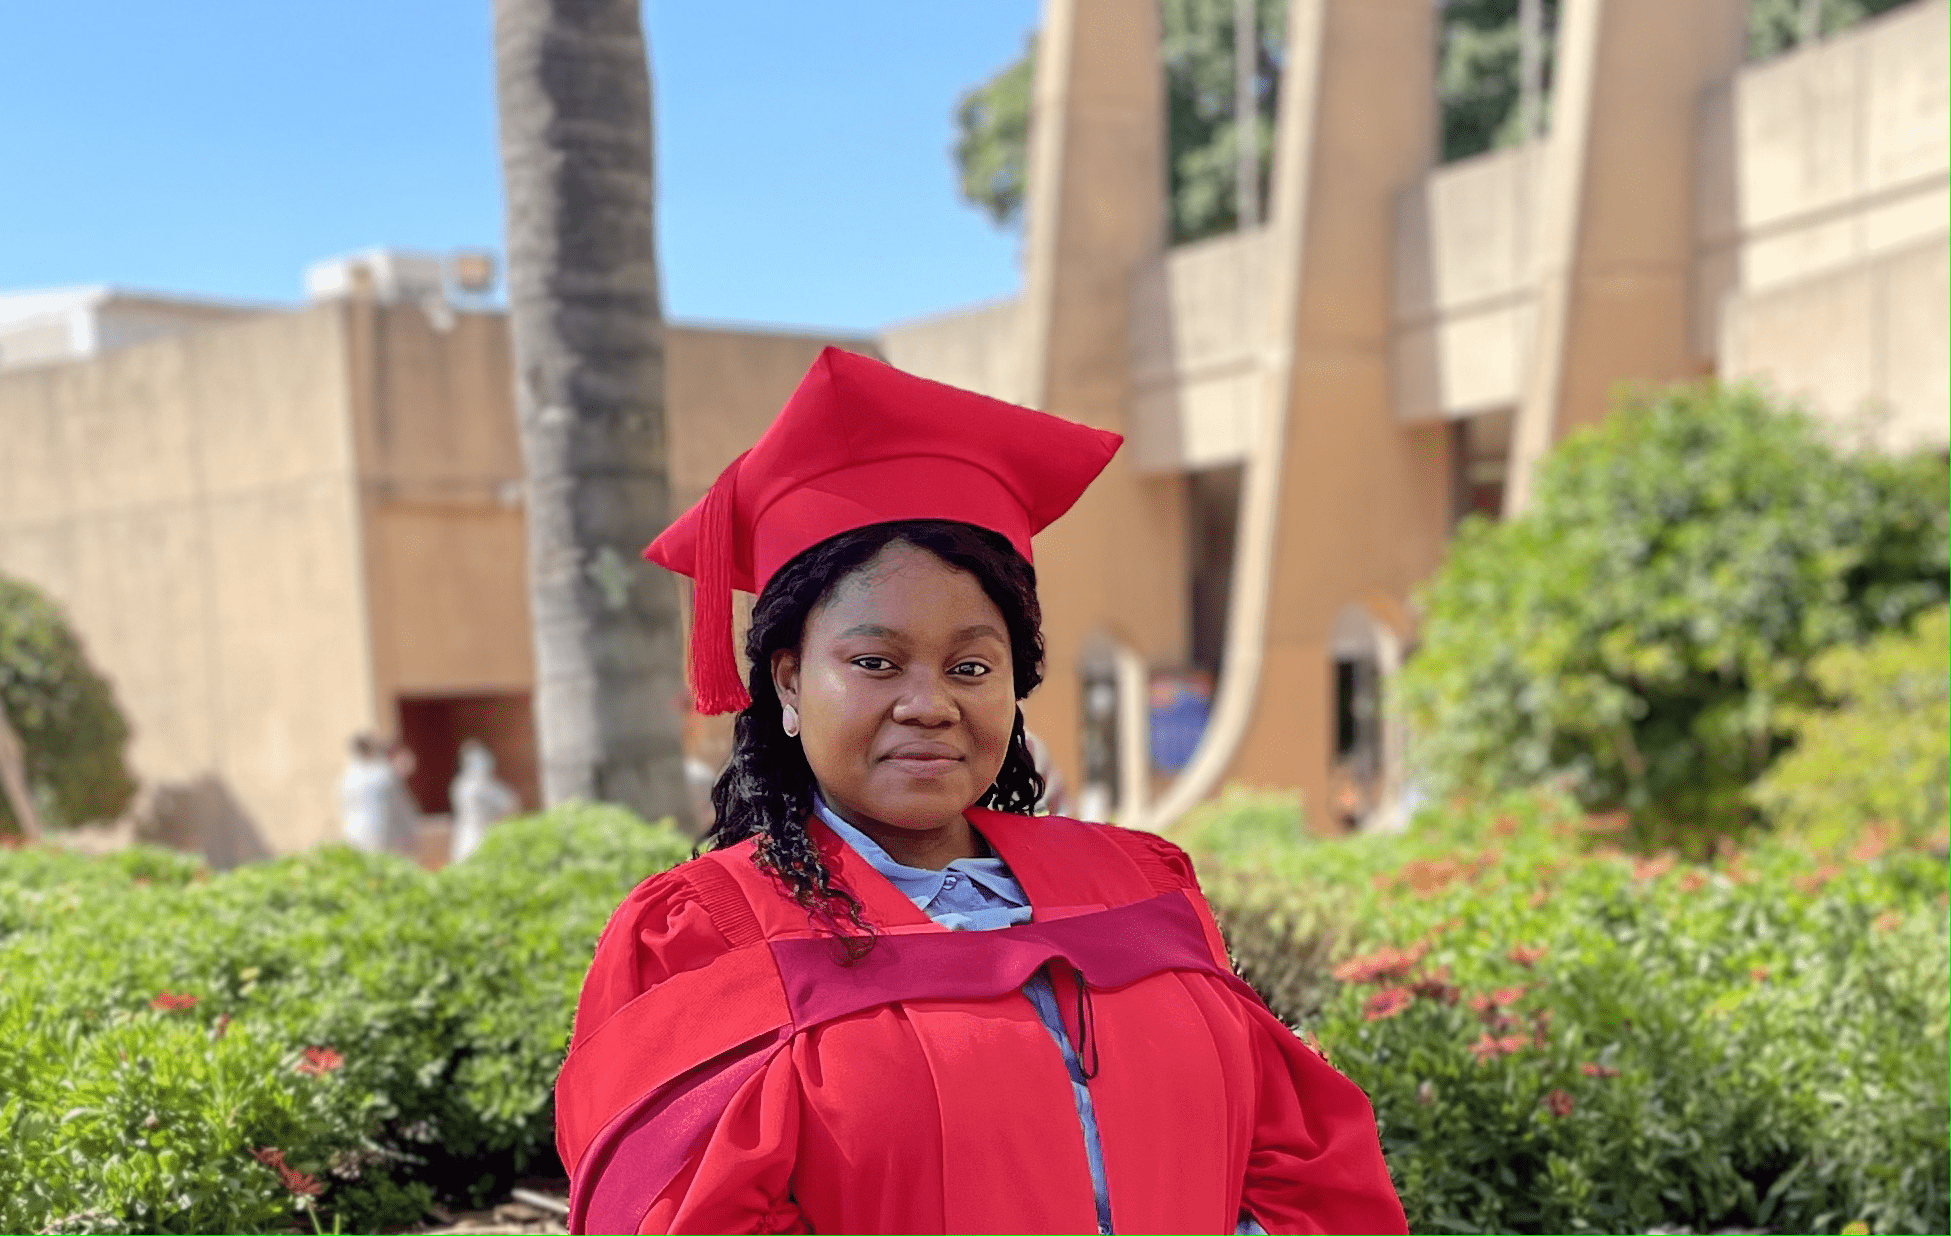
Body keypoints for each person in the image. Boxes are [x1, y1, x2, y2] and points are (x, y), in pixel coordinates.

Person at [556, 349, 1406, 1235]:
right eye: (874, 662)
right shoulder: (702, 933)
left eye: (970, 664)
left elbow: (1297, 1164)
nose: (929, 704)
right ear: (789, 683)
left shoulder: (1138, 882)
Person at [339, 731, 419, 857]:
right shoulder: (380, 773)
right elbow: (407, 766)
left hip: (355, 831)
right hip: (378, 832)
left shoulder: (348, 775)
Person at [449, 737, 521, 862]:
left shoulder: (459, 784)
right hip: (481, 842)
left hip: (463, 843)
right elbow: (512, 805)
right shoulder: (483, 786)